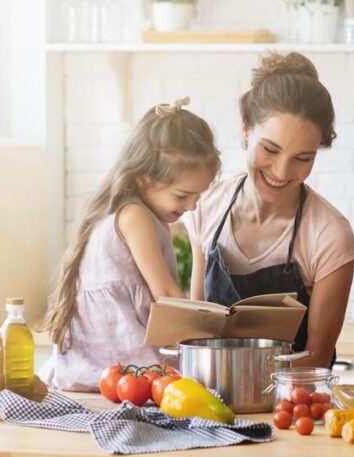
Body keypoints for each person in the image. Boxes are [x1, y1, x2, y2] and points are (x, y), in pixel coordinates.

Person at [187, 52, 354, 368]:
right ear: (245, 130)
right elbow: (196, 333)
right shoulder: (206, 206)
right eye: (270, 149)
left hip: (292, 405)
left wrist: (247, 385)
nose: (281, 171)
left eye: (302, 158)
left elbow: (317, 359)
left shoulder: (329, 233)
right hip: (209, 402)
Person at [40, 98, 220, 391]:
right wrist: (207, 337)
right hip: (118, 360)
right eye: (182, 195)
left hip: (101, 363)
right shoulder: (135, 215)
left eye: (198, 196)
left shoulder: (130, 210)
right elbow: (165, 293)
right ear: (144, 179)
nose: (191, 205)